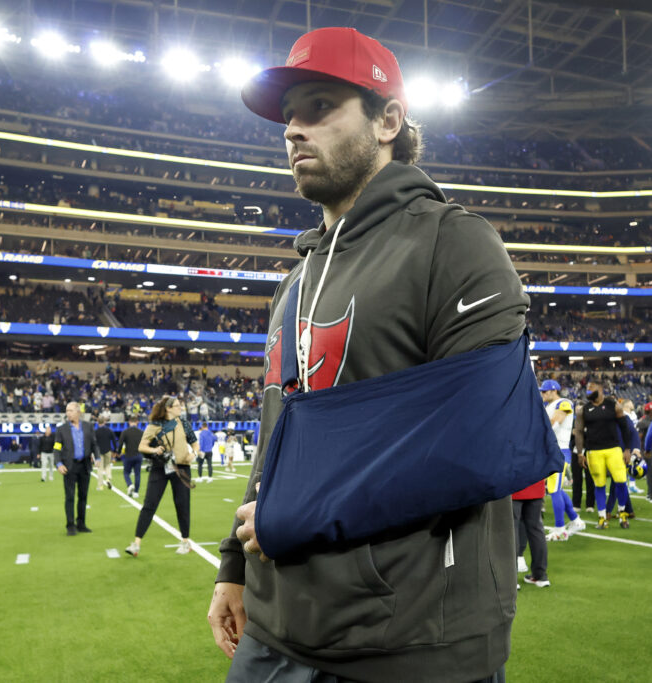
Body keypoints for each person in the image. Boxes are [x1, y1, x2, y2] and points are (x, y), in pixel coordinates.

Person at [208, 27, 560, 683]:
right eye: (288, 116)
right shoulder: (295, 279)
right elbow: (279, 438)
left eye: (319, 107)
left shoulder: (453, 243)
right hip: (279, 624)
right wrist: (234, 563)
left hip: (413, 639)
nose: (293, 130)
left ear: (388, 121)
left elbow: (488, 436)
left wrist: (299, 514)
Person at [126, 396, 199, 557]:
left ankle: (185, 541)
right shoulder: (155, 425)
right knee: (149, 504)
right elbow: (142, 446)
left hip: (181, 468)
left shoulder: (184, 424)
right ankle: (136, 544)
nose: (181, 408)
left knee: (182, 505)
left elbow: (195, 442)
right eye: (178, 405)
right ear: (168, 408)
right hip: (160, 467)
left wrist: (193, 453)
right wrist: (155, 450)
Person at [573, 378, 635, 529]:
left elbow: (625, 427)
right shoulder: (584, 410)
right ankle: (602, 517)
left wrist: (627, 449)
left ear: (600, 389)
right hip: (593, 451)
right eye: (587, 388)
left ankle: (622, 513)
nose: (588, 390)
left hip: (613, 449)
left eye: (591, 387)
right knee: (599, 484)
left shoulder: (614, 405)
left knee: (620, 481)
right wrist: (580, 453)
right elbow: (579, 432)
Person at [539, 380, 585, 541]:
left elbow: (556, 422)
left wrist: (538, 436)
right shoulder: (549, 405)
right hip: (552, 450)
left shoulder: (563, 402)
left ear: (553, 391)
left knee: (554, 490)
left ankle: (559, 528)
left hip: (559, 450)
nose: (543, 394)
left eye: (545, 391)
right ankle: (576, 520)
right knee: (555, 488)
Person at [56, 402, 101, 535]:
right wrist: (59, 464)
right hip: (69, 466)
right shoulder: (61, 429)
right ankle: (70, 525)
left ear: (78, 412)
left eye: (70, 410)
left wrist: (97, 457)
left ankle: (81, 523)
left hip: (84, 465)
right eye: (66, 411)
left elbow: (94, 444)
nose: (68, 413)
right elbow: (57, 448)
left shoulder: (88, 426)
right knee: (69, 497)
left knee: (83, 496)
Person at [512, 478, 549, 588]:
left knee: (511, 529)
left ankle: (511, 580)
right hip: (536, 484)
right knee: (536, 529)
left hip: (513, 485)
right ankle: (540, 575)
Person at [636, 402, 652, 503]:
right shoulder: (643, 422)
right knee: (651, 473)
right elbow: (639, 437)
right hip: (649, 450)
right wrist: (640, 451)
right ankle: (651, 495)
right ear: (651, 411)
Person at [117, 419, 145, 497]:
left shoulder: (125, 432)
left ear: (129, 422)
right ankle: (136, 492)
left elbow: (120, 444)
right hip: (139, 455)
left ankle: (130, 484)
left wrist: (118, 453)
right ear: (137, 422)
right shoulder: (141, 432)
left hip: (128, 455)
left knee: (126, 473)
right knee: (137, 474)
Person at [94, 417, 116, 491]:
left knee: (100, 468)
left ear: (98, 422)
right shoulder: (109, 430)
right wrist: (115, 451)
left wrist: (92, 452)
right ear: (104, 422)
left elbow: (94, 443)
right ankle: (108, 478)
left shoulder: (96, 432)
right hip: (108, 450)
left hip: (99, 451)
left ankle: (100, 486)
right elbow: (114, 440)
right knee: (107, 465)